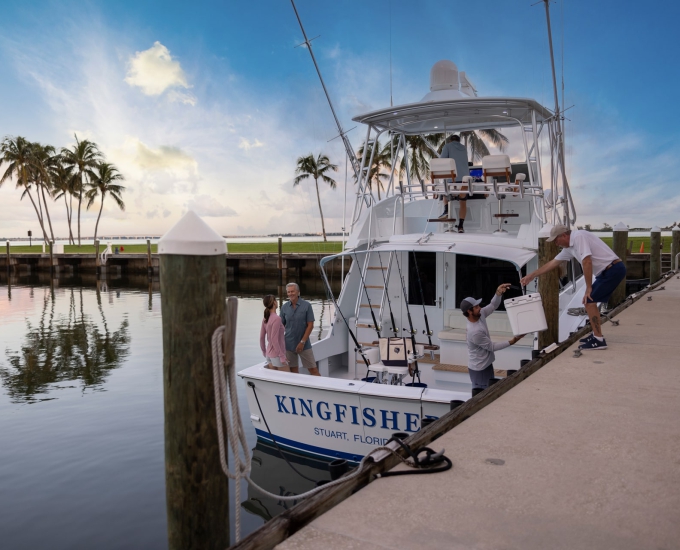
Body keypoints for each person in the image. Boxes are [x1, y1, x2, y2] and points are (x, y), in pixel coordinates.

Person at [520, 224, 626, 351]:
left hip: (612, 270)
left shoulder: (578, 236)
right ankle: (596, 336)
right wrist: (532, 275)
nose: (555, 244)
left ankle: (599, 340)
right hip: (607, 272)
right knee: (589, 301)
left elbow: (587, 261)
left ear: (564, 235)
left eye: (556, 240)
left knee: (589, 300)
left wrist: (588, 288)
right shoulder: (569, 248)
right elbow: (553, 263)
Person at [462, 284, 525, 389]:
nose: (480, 308)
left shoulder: (479, 314)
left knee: (490, 391)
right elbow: (492, 347)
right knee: (482, 398)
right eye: (476, 307)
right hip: (479, 370)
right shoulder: (474, 331)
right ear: (469, 311)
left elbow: (492, 306)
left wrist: (498, 294)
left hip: (486, 365)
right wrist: (512, 341)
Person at [280, 282, 320, 376]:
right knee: (294, 371)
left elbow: (310, 325)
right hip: (289, 345)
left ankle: (322, 388)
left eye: (292, 291)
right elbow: (281, 326)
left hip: (304, 345)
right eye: (288, 292)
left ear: (298, 292)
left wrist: (302, 342)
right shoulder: (284, 307)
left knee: (313, 370)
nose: (290, 294)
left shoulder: (307, 306)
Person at [439, 134, 470, 233]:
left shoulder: (447, 146)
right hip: (465, 180)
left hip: (452, 180)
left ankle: (446, 210)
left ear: (450, 141)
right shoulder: (464, 148)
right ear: (459, 141)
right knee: (462, 201)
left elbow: (442, 161)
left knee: (445, 193)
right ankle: (460, 226)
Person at [259, 294, 290, 371]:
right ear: (274, 303)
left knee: (276, 380)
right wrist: (282, 356)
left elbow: (261, 337)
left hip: (269, 355)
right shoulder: (277, 318)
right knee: (287, 379)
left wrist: (264, 351)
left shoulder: (265, 318)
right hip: (277, 356)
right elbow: (274, 339)